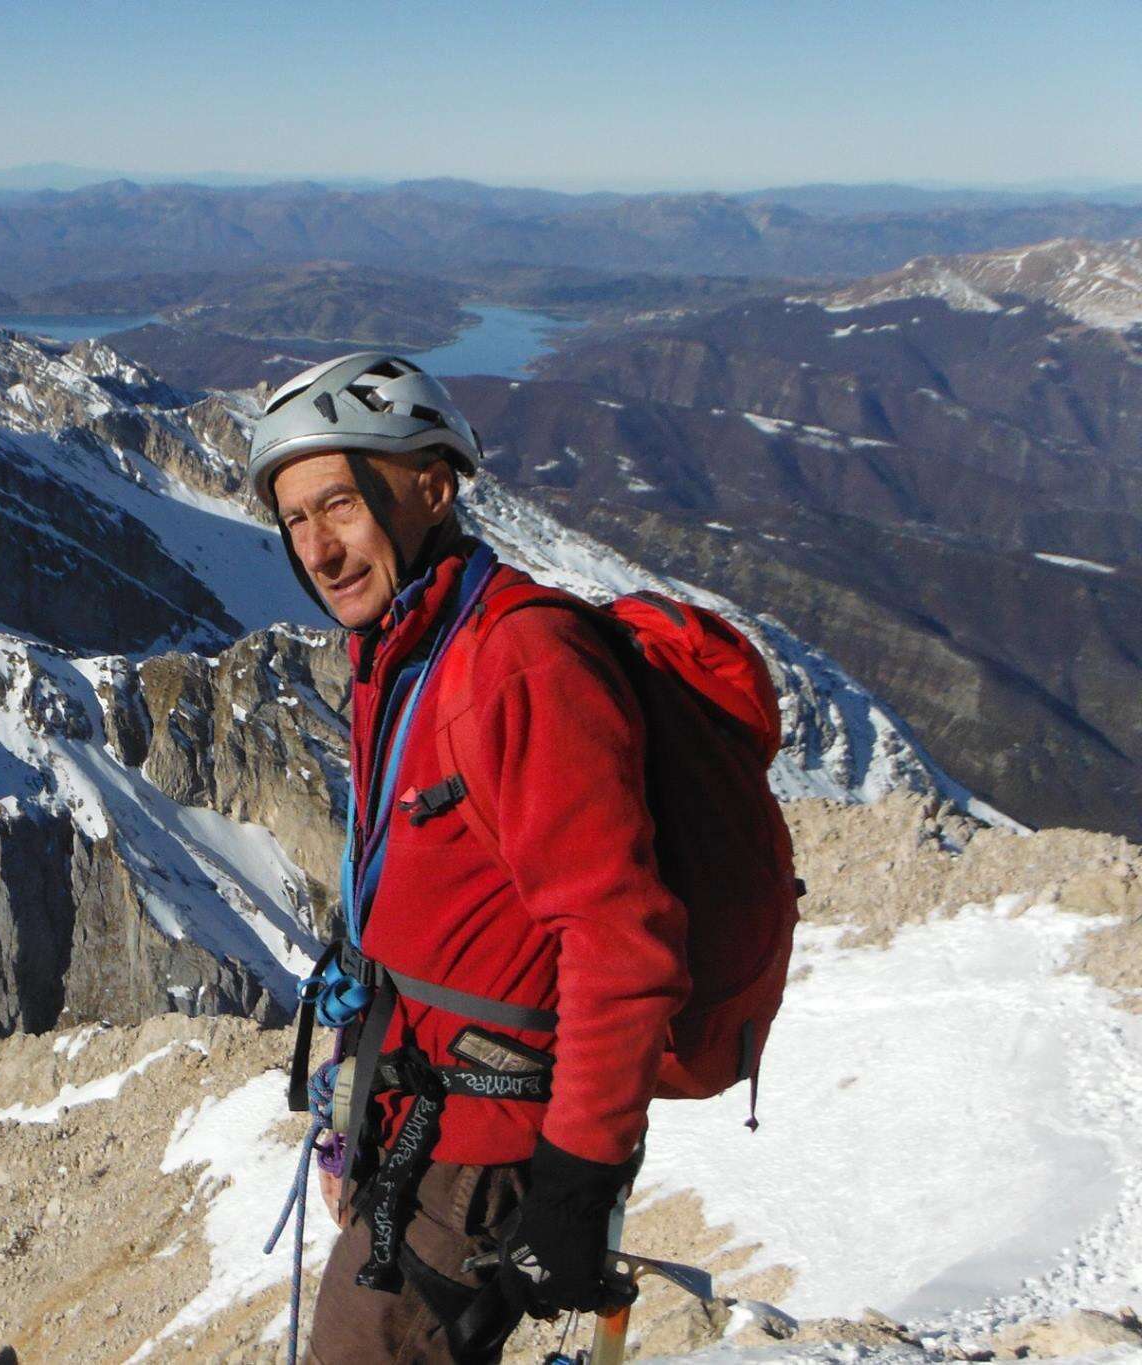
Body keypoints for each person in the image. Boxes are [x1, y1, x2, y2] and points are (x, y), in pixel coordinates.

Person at [248, 353, 693, 1364]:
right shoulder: (406, 649)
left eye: (338, 506)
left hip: (470, 1158)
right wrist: (348, 1114)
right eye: (294, 522)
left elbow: (621, 942)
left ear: (430, 489)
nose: (317, 548)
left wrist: (576, 1182)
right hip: (409, 1128)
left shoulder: (514, 663)